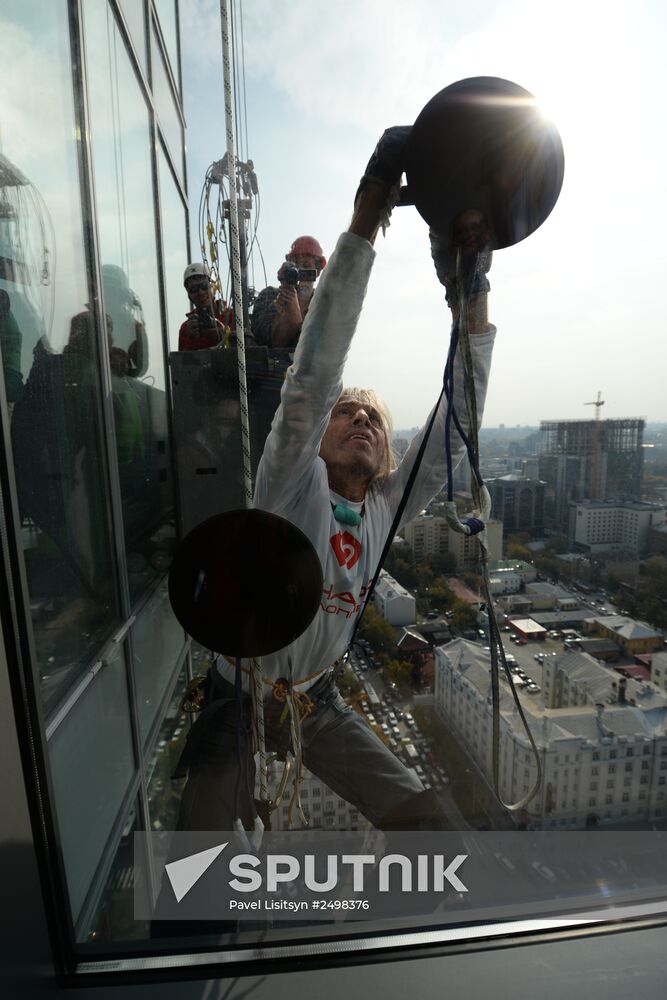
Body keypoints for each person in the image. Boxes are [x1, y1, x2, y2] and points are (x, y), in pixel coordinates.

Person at [174, 129, 496, 834]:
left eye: (372, 420)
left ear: (385, 454)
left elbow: (453, 434)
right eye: (344, 415)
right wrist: (364, 224)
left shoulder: (383, 507)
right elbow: (311, 377)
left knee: (426, 820)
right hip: (238, 689)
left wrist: (470, 295)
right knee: (200, 854)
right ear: (315, 439)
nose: (358, 421)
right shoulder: (292, 483)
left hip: (313, 700)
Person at [251, 235, 326, 348]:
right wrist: (280, 303)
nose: (300, 270)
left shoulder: (322, 304)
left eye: (306, 265)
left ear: (318, 270)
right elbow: (260, 336)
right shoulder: (269, 295)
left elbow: (320, 345)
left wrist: (295, 308)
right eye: (295, 266)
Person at [178, 262, 230, 351]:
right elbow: (182, 362)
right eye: (193, 289)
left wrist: (226, 336)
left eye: (205, 286)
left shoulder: (232, 317)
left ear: (214, 288)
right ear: (189, 295)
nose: (200, 292)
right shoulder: (186, 328)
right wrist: (192, 340)